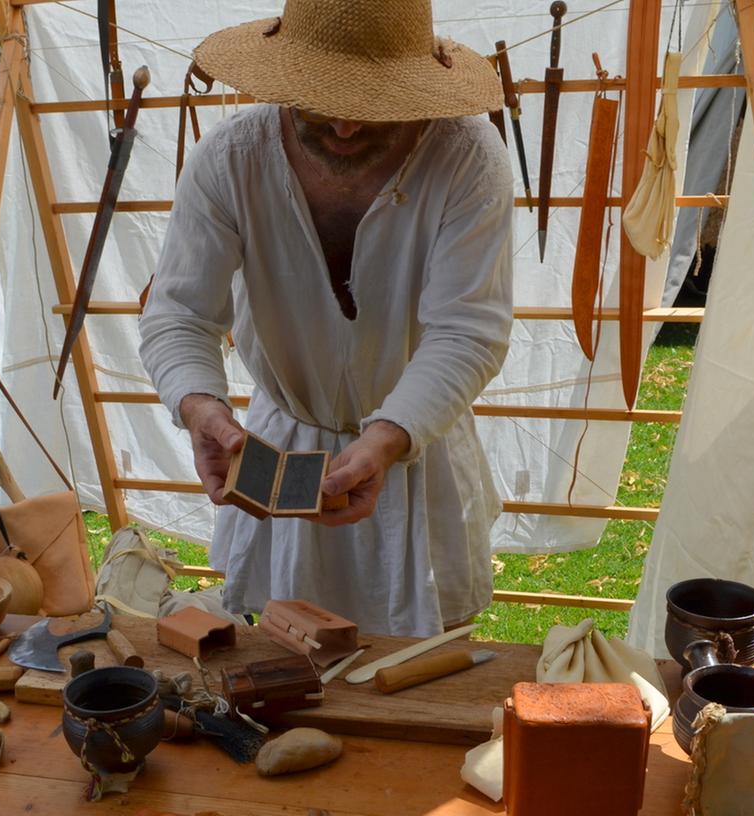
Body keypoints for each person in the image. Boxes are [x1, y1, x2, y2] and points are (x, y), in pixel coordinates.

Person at [138, 0, 514, 637]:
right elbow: (178, 313)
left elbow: (467, 330)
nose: (342, 125)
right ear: (285, 79)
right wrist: (202, 411)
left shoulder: (467, 159)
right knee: (281, 660)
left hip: (411, 451)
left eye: (371, 106)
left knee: (421, 682)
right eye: (318, 100)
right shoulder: (230, 159)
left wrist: (386, 438)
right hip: (281, 447)